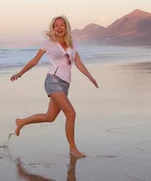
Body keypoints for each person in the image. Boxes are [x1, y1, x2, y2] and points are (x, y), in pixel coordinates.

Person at [10, 15, 98, 158]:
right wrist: (20, 74)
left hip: (65, 84)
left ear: (66, 27)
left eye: (61, 25)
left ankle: (21, 122)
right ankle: (73, 149)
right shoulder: (49, 43)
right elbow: (34, 61)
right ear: (52, 28)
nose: (59, 28)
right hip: (53, 81)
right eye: (56, 25)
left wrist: (90, 76)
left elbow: (78, 63)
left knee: (50, 117)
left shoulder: (72, 43)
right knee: (71, 113)